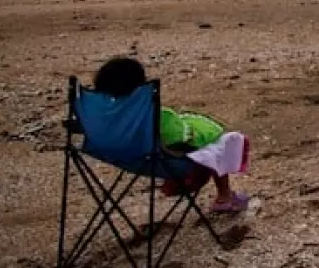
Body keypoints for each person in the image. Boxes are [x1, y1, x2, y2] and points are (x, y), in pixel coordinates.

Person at [93, 57, 249, 213]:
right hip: (164, 163)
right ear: (141, 89)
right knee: (220, 142)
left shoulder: (101, 120)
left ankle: (182, 182)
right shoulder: (153, 117)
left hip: (123, 159)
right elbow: (181, 140)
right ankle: (224, 196)